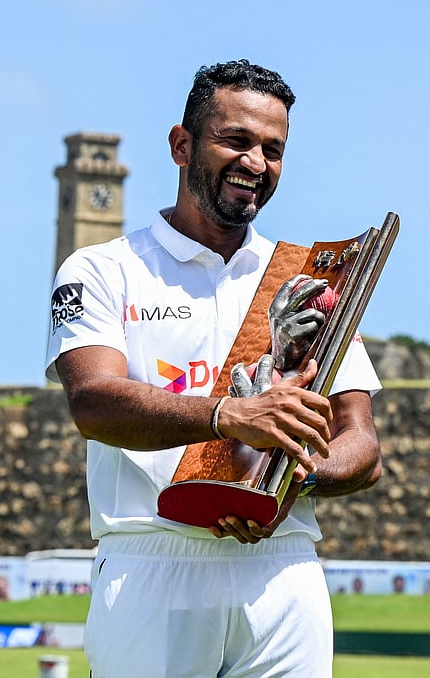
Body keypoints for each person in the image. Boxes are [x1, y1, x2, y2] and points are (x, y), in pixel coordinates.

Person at [47, 59, 384, 677]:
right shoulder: (102, 270)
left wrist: (291, 481)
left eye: (273, 149)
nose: (256, 162)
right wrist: (231, 418)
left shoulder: (310, 277)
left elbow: (360, 442)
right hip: (153, 561)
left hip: (283, 566)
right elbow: (92, 403)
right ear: (182, 145)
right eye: (236, 140)